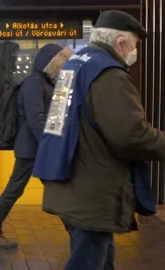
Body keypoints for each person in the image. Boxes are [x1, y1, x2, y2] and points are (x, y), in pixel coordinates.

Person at [33, 11, 164, 269]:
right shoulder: (108, 74)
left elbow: (58, 122)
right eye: (135, 44)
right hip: (92, 190)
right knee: (90, 260)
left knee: (101, 259)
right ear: (120, 43)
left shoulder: (74, 65)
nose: (135, 52)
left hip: (67, 179)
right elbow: (130, 135)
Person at [0, 44, 73, 248]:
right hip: (32, 149)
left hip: (38, 147)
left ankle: (76, 232)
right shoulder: (34, 83)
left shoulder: (46, 83)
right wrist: (49, 147)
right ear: (51, 62)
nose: (63, 67)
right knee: (17, 189)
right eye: (61, 62)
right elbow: (36, 119)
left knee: (54, 189)